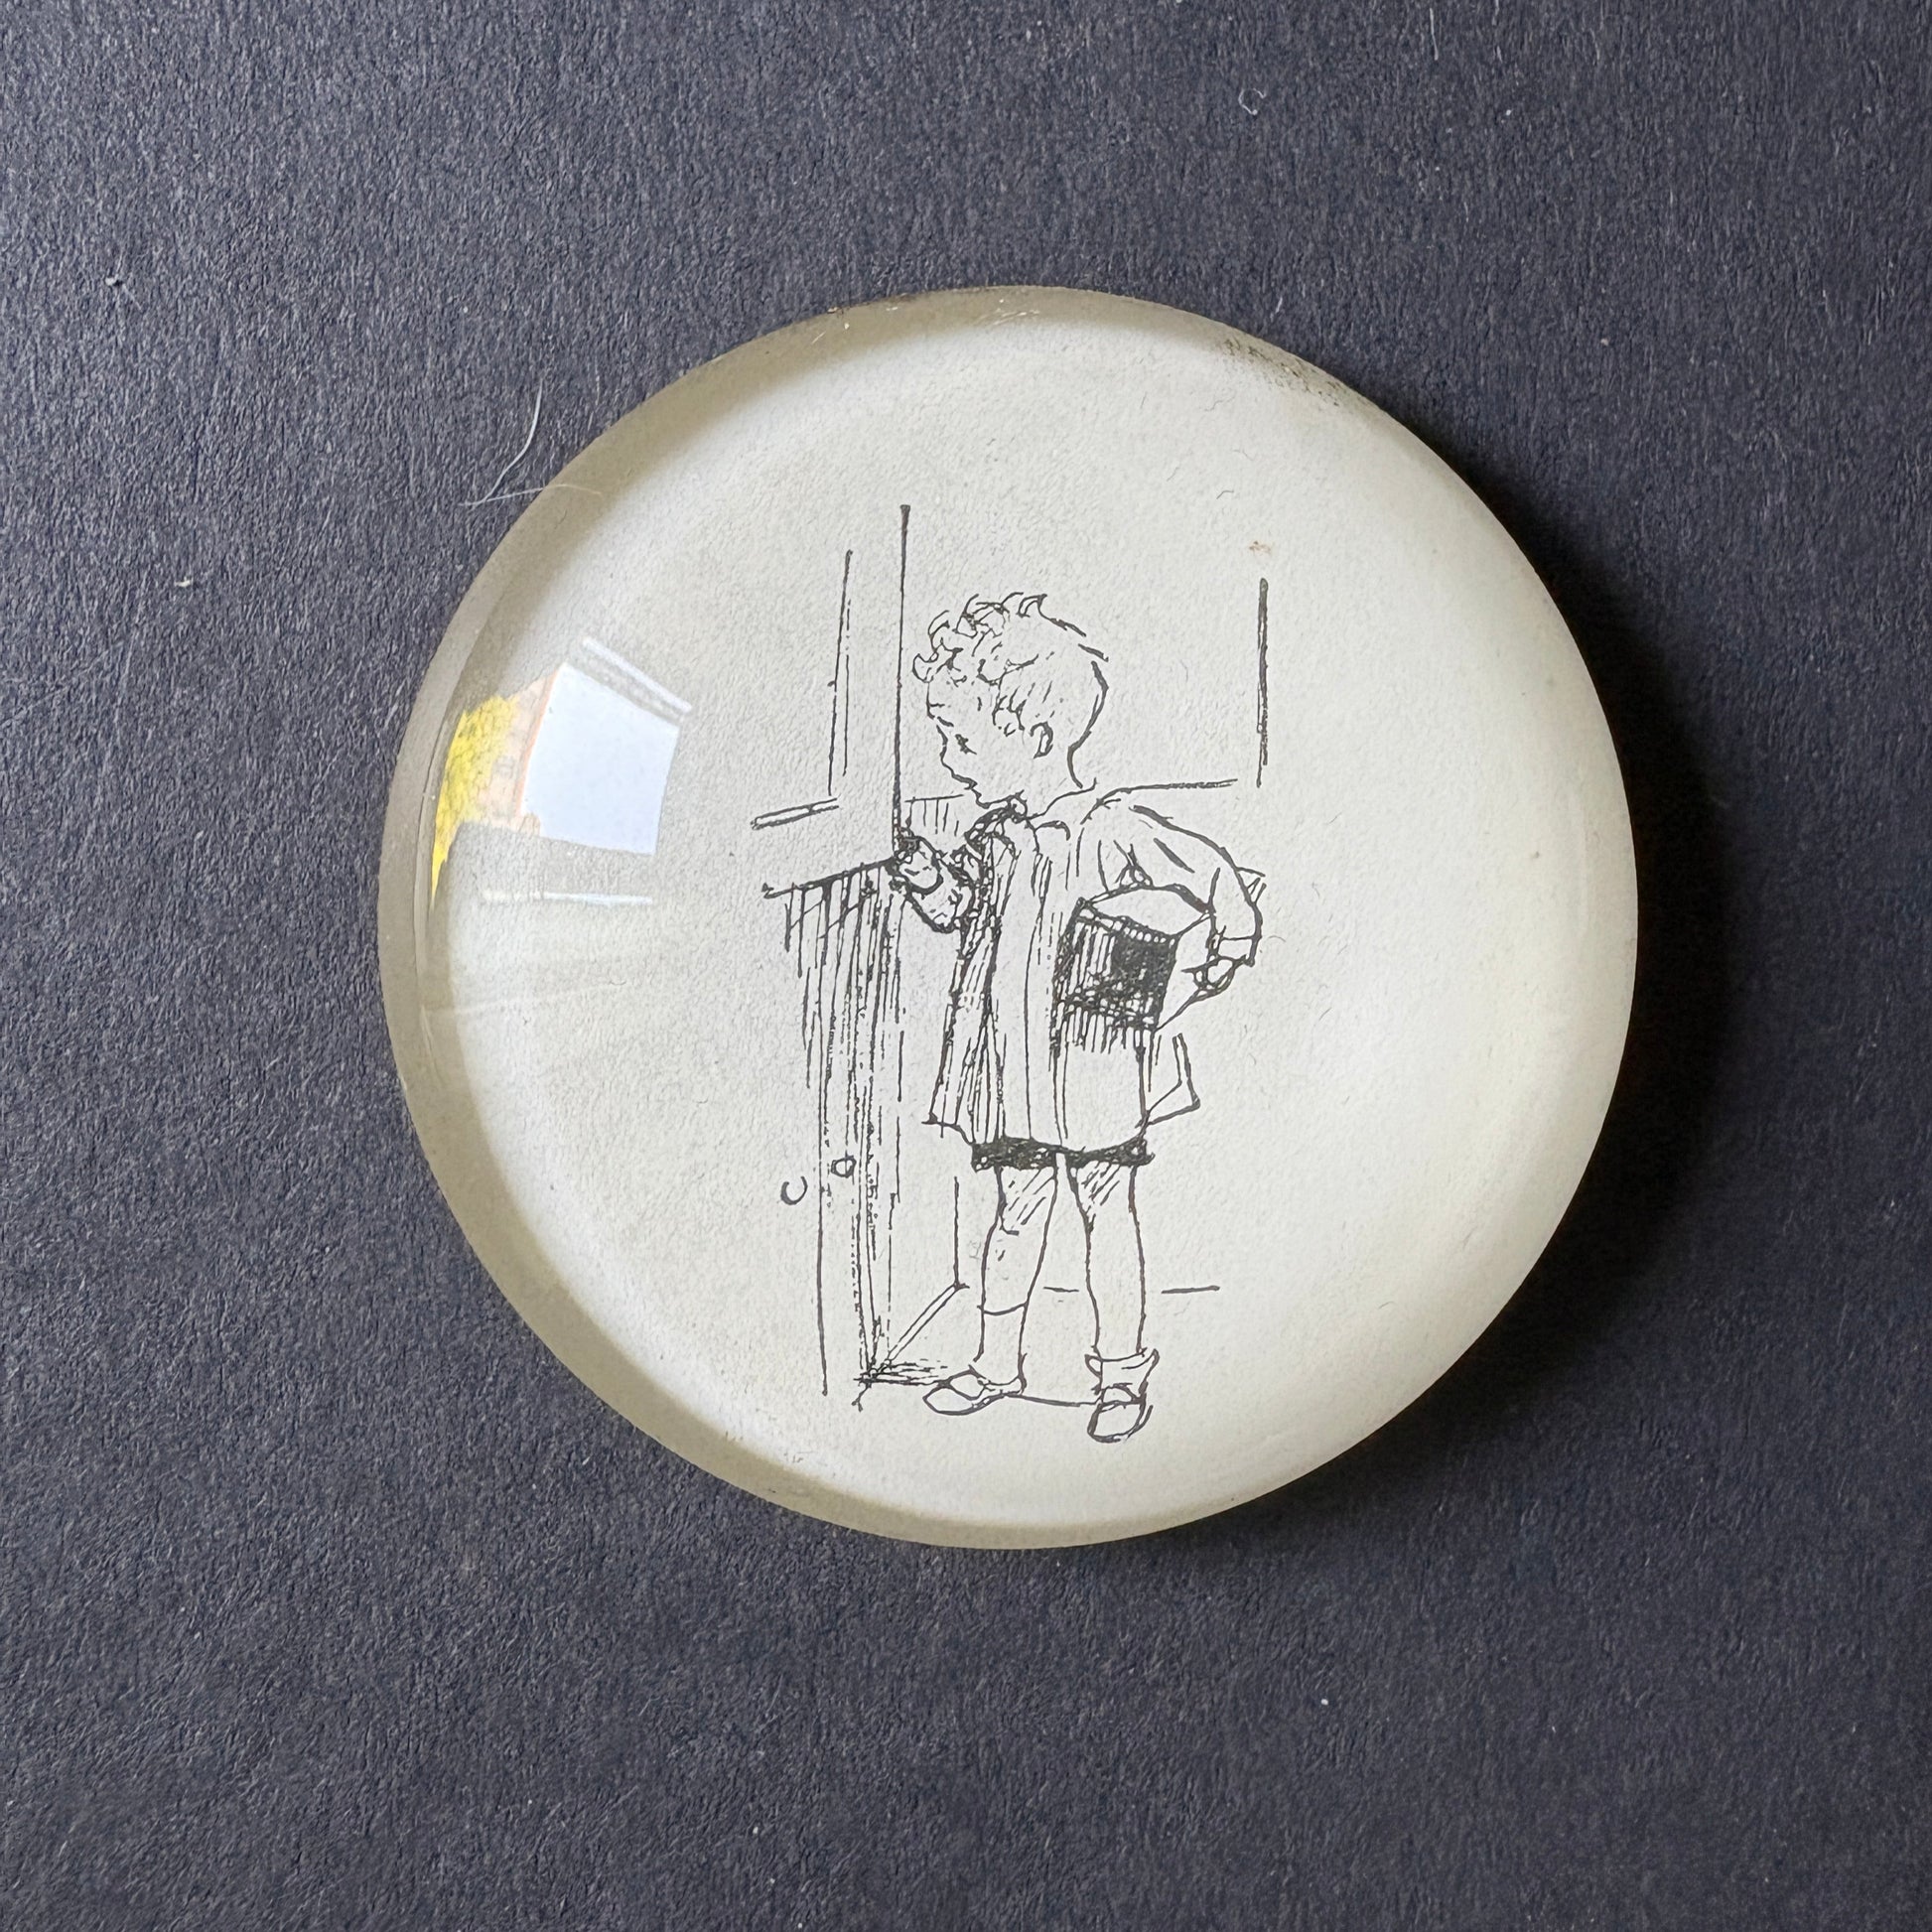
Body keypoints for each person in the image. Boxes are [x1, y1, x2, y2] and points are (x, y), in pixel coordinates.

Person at [891, 593, 1261, 1443]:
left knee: (1106, 1213)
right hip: (1008, 1069)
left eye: (962, 741)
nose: (949, 759)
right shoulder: (995, 837)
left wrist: (1210, 967)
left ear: (1036, 736)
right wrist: (925, 876)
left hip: (1096, 1072)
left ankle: (1120, 1377)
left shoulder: (1114, 829)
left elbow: (1219, 884)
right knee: (1014, 1215)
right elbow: (958, 916)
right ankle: (995, 1364)